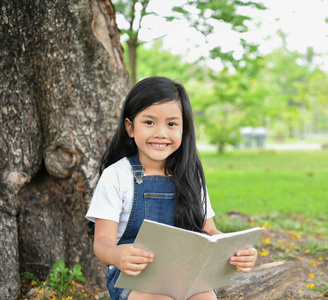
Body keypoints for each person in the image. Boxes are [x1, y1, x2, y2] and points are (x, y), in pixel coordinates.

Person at [85, 76, 257, 300]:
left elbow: (211, 231)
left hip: (187, 273)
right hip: (135, 278)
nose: (161, 133)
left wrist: (235, 252)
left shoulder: (190, 175)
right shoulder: (117, 176)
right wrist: (117, 255)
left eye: (172, 124)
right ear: (130, 127)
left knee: (205, 297)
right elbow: (102, 243)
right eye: (149, 122)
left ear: (183, 129)